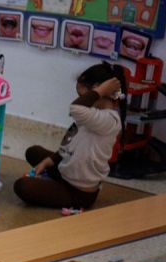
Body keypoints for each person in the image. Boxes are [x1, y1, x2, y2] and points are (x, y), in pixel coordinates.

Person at [14, 63, 126, 210]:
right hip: (67, 172)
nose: (81, 100)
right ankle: (54, 179)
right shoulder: (92, 112)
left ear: (98, 90)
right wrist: (49, 162)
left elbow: (75, 108)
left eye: (83, 96)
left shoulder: (109, 120)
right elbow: (69, 145)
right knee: (34, 152)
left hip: (78, 192)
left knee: (22, 186)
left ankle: (58, 188)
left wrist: (101, 90)